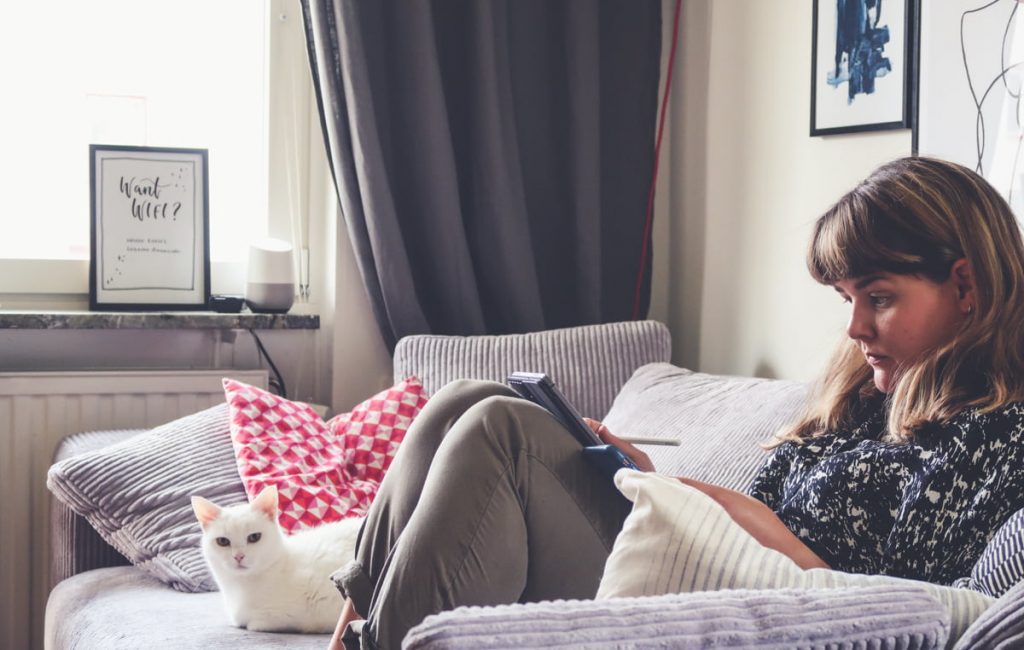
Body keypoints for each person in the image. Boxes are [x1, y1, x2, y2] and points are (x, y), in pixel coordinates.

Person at [328, 156, 1024, 650]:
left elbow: (901, 603)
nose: (854, 327)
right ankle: (356, 632)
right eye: (848, 300)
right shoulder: (865, 397)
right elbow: (758, 516)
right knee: (465, 395)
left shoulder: (997, 438)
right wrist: (654, 484)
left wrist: (694, 502)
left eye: (879, 298)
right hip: (707, 560)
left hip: (762, 608)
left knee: (502, 429)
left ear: (965, 285)